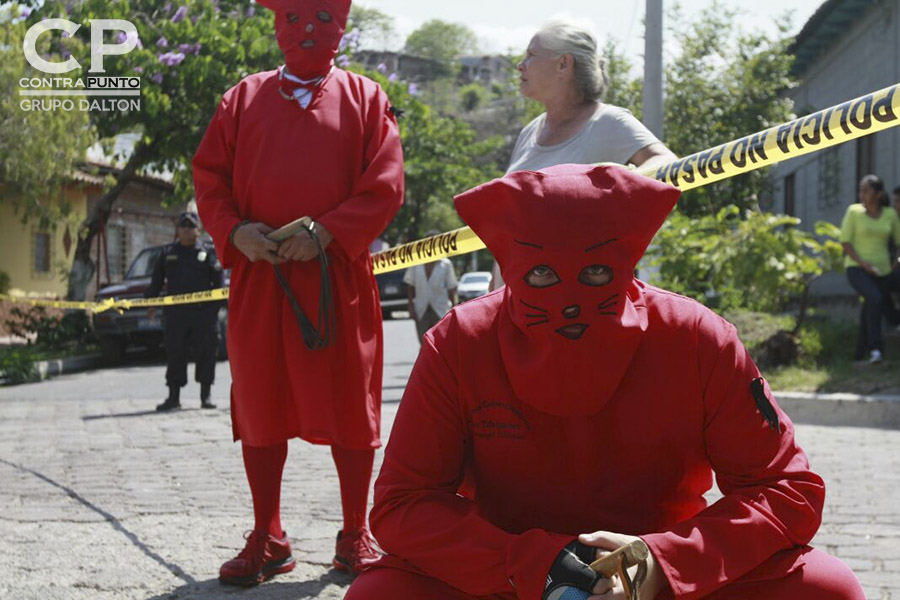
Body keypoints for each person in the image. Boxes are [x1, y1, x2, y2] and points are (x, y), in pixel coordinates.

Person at [346, 164, 864, 600]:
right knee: (375, 593)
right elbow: (402, 504)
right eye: (543, 276)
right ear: (512, 266)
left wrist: (664, 562)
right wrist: (533, 563)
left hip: (665, 581)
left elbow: (786, 489)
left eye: (595, 274)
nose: (568, 301)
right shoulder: (460, 341)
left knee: (826, 588)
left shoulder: (697, 336)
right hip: (508, 578)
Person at [192, 0, 404, 587]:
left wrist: (329, 231)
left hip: (338, 279)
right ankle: (269, 535)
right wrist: (234, 231)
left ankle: (355, 531)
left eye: (321, 17)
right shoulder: (242, 98)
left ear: (342, 26)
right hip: (261, 278)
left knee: (349, 405)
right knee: (261, 404)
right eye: (293, 18)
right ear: (276, 26)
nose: (307, 30)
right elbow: (208, 176)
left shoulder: (366, 98)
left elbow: (386, 183)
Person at [489, 19, 676, 291]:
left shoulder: (606, 121)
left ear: (564, 64)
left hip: (572, 304)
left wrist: (607, 187)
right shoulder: (529, 132)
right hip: (513, 302)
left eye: (531, 55)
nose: (521, 65)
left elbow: (668, 165)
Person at [144, 211, 223, 412]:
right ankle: (173, 396)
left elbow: (219, 285)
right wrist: (150, 303)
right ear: (177, 230)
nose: (186, 229)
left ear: (199, 230)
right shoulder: (167, 253)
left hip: (202, 314)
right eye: (183, 226)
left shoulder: (208, 252)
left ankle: (206, 395)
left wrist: (212, 311)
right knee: (175, 353)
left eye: (191, 226)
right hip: (176, 314)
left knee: (206, 353)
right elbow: (156, 282)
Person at [839, 174, 900, 363]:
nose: (861, 194)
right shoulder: (854, 211)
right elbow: (845, 242)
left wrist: (895, 263)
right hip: (857, 269)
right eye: (860, 190)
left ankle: (859, 353)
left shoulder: (890, 214)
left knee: (871, 305)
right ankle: (876, 349)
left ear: (878, 194)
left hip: (882, 271)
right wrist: (863, 263)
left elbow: (898, 242)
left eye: (866, 190)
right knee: (874, 298)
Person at [404, 231, 459, 343]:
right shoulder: (416, 263)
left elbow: (451, 288)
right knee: (424, 342)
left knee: (441, 342)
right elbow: (410, 286)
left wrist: (454, 308)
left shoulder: (446, 264)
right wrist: (410, 306)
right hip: (421, 309)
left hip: (440, 309)